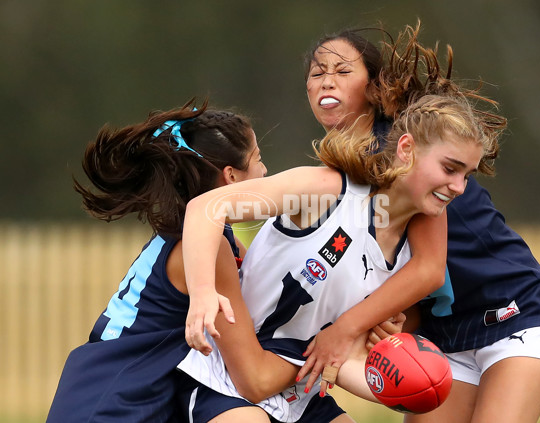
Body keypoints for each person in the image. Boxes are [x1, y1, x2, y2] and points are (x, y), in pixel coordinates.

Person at [178, 27, 505, 420]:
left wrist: (397, 381)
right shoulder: (324, 189)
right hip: (225, 385)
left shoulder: (407, 256)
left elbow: (335, 355)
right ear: (406, 150)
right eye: (452, 170)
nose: (459, 187)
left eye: (466, 175)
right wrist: (201, 295)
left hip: (299, 395)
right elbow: (205, 209)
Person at [302, 25, 540, 423]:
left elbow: (427, 269)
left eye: (342, 71)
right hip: (443, 334)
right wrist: (392, 316)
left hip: (512, 312)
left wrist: (344, 330)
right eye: (317, 71)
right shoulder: (340, 169)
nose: (327, 80)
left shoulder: (399, 151)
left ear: (374, 88)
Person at [46, 100, 267, 423]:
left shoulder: (195, 235)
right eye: (258, 159)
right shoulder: (210, 247)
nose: (265, 171)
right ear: (231, 176)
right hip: (112, 403)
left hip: (97, 390)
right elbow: (253, 375)